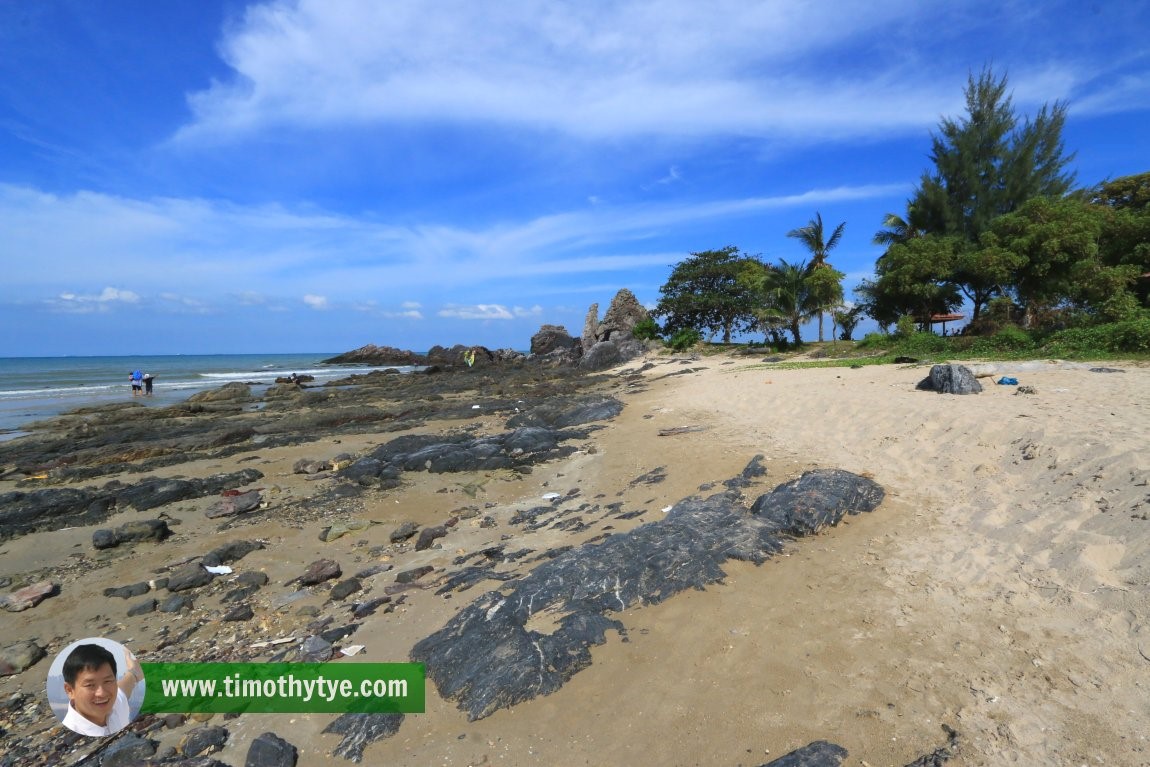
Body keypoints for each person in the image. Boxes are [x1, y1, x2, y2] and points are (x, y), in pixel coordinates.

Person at [60, 643, 143, 736]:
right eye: (90, 685)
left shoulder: (114, 705)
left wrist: (134, 672)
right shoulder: (74, 732)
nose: (102, 693)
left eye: (107, 681)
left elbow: (124, 688)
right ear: (70, 690)